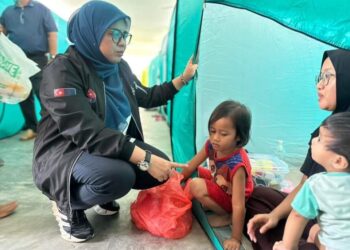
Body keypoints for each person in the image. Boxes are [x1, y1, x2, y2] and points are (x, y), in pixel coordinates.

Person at [32, 0, 198, 243]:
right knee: (120, 177)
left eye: (125, 35)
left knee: (158, 169)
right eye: (115, 33)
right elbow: (85, 131)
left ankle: (99, 192)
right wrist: (144, 158)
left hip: (104, 144)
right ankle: (67, 204)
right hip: (66, 151)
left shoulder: (119, 69)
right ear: (93, 31)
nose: (122, 42)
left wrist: (183, 79)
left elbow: (148, 96)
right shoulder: (62, 70)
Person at [246, 49, 350, 250]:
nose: (319, 85)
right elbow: (305, 184)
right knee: (259, 196)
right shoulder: (326, 128)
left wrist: (318, 236)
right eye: (320, 77)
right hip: (318, 218)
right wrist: (274, 215)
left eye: (328, 77)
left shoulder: (338, 136)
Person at [182, 100, 254, 250]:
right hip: (219, 182)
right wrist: (176, 181)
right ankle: (217, 205)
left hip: (232, 196)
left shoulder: (238, 165)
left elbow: (239, 204)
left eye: (223, 134)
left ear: (239, 137)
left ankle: (226, 216)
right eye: (212, 131)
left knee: (195, 185)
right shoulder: (211, 145)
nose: (215, 137)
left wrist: (235, 238)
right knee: (193, 174)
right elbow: (192, 165)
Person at [273, 112, 350, 250]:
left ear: (338, 161)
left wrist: (287, 246)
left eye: (320, 139)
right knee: (315, 229)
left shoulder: (316, 184)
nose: (314, 140)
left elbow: (297, 216)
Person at [0, 0, 57, 140]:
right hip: (17, 61)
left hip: (38, 58)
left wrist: (53, 56)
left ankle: (52, 129)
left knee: (43, 93)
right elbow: (2, 34)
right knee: (22, 95)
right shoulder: (8, 12)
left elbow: (52, 33)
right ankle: (33, 128)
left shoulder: (41, 9)